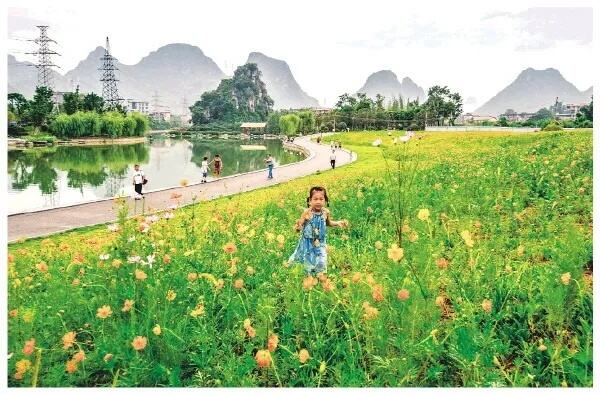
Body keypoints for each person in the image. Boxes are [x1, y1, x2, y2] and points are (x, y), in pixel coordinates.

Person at [288, 186, 348, 274]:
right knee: (307, 261)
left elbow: (328, 223)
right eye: (315, 199)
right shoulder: (307, 213)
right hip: (307, 242)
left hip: (320, 242)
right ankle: (308, 277)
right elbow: (300, 225)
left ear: (325, 201)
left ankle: (320, 276)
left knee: (322, 260)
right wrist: (298, 227)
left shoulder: (326, 212)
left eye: (321, 199)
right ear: (310, 201)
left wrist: (338, 223)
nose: (318, 202)